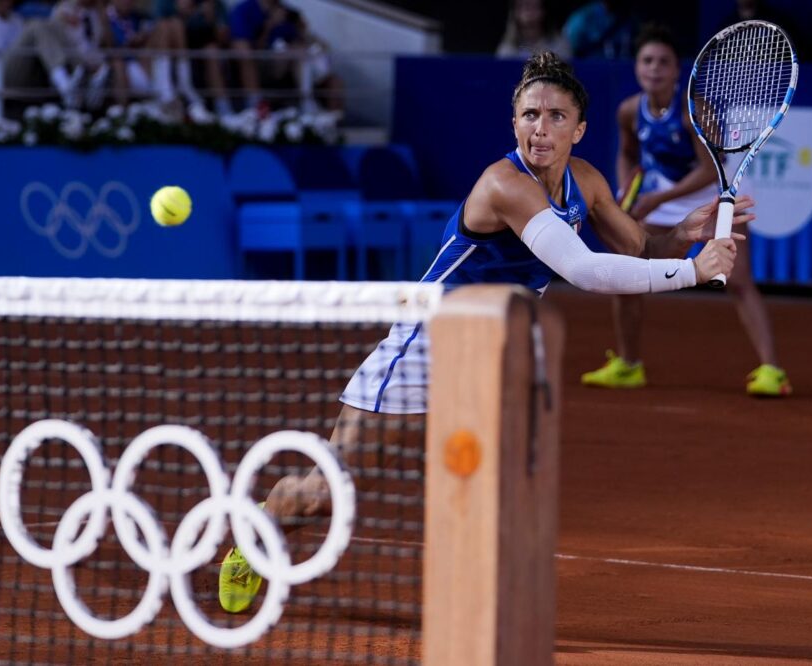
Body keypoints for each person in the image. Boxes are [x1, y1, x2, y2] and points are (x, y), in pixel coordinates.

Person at [217, 50, 755, 613]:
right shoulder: (505, 185)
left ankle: (481, 597)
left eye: (555, 117)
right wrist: (694, 271)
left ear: (580, 129)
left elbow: (638, 247)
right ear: (513, 122)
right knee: (324, 494)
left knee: (500, 473)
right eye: (529, 115)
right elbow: (586, 271)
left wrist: (684, 236)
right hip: (427, 343)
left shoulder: (586, 181)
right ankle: (250, 544)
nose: (540, 129)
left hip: (491, 349)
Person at [580, 24, 791, 397]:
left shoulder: (694, 110)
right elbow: (628, 152)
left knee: (737, 280)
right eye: (647, 61)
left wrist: (657, 200)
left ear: (677, 70)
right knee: (627, 272)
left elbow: (709, 169)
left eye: (663, 62)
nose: (654, 69)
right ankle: (629, 365)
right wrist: (627, 182)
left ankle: (772, 370)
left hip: (714, 193)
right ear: (637, 68)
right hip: (664, 195)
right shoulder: (629, 110)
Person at [496, 0, 570, 60]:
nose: (528, 12)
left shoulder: (559, 44)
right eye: (523, 6)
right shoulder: (507, 48)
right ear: (515, 11)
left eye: (534, 6)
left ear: (543, 10)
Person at [562, 0, 635, 59]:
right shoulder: (582, 18)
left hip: (624, 70)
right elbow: (570, 51)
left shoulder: (630, 16)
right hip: (591, 71)